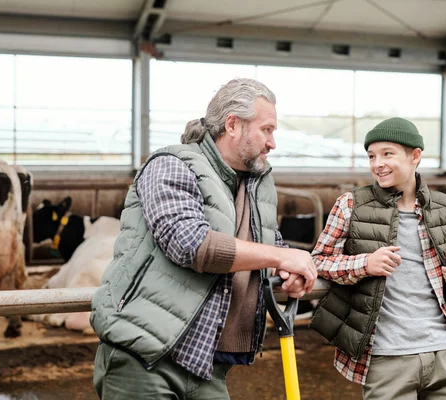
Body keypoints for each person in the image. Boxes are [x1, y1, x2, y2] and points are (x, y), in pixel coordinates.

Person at [90, 78, 317, 399]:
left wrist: (288, 273)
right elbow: (190, 244)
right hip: (147, 354)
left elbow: (270, 246)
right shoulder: (171, 165)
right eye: (267, 130)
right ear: (233, 124)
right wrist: (281, 257)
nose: (272, 143)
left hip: (206, 362)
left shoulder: (254, 185)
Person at [310, 117, 446, 399]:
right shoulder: (351, 204)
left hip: (443, 351)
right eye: (372, 156)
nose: (377, 164)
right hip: (387, 355)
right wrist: (365, 264)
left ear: (415, 156)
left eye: (387, 154)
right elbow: (319, 260)